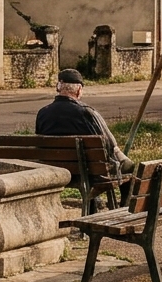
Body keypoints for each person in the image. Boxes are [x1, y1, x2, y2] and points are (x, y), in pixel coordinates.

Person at [35, 69, 135, 202]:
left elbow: (39, 143)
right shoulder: (87, 113)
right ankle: (124, 207)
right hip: (89, 172)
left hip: (55, 170)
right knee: (129, 165)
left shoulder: (43, 113)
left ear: (58, 88)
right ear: (78, 90)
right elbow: (111, 144)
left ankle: (95, 203)